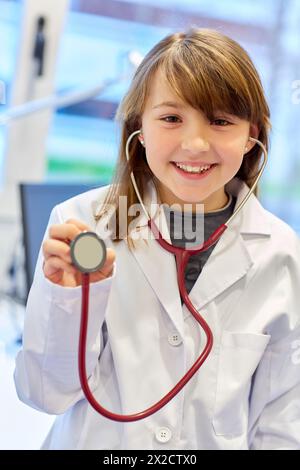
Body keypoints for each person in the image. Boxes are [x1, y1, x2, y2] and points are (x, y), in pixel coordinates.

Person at [14, 28, 300, 450]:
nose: (195, 143)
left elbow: (283, 426)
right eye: (170, 118)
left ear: (251, 135)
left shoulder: (281, 253)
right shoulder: (82, 225)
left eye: (221, 121)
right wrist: (67, 304)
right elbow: (45, 396)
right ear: (139, 127)